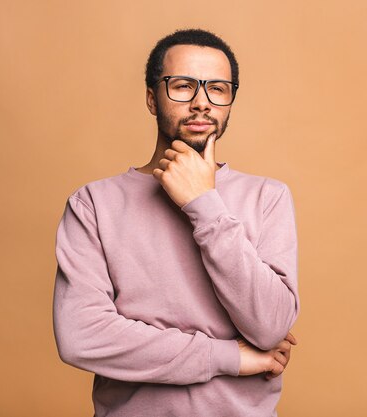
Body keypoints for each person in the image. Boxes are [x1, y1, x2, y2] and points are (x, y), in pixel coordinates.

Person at [52, 28, 300, 417]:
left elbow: (269, 327)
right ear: (152, 98)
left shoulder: (268, 197)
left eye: (218, 89)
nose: (202, 103)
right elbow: (81, 336)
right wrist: (227, 356)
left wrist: (204, 204)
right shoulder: (93, 204)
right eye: (183, 86)